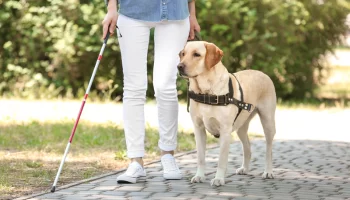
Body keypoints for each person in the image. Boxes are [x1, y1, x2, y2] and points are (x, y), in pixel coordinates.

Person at [102, 0, 201, 183]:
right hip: (133, 11)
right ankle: (135, 161)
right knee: (134, 87)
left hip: (176, 12)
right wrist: (111, 8)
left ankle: (168, 155)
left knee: (165, 85)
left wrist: (192, 13)